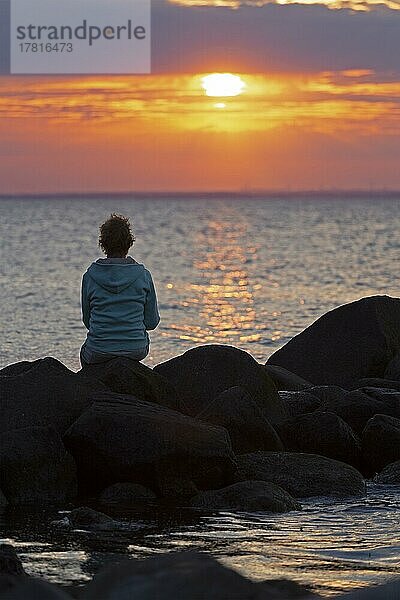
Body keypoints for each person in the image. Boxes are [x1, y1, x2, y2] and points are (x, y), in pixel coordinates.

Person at [79, 213, 160, 366]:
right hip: (136, 349)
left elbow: (88, 321)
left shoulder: (89, 276)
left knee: (84, 353)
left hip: (98, 349)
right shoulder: (143, 275)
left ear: (103, 244)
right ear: (129, 243)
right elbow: (151, 322)